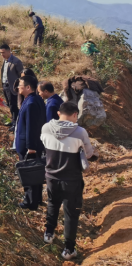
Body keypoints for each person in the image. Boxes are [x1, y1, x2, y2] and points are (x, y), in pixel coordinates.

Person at [41, 101, 98, 261]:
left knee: (52, 204)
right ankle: (68, 249)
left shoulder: (45, 128)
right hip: (71, 179)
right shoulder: (80, 132)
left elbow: (45, 145)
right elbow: (88, 154)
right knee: (71, 214)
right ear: (75, 115)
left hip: (51, 176)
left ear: (59, 114)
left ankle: (49, 233)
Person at [15, 75, 46, 211]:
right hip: (33, 143)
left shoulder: (32, 103)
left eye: (20, 85)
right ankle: (37, 199)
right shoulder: (35, 99)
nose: (18, 87)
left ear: (28, 87)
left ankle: (30, 202)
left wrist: (31, 147)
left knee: (30, 173)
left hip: (30, 145)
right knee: (36, 172)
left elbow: (31, 127)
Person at [0, 44, 24, 130]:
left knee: (14, 105)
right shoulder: (5, 61)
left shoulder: (16, 62)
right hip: (5, 86)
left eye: (3, 52)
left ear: (9, 51)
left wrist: (18, 87)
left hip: (13, 88)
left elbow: (21, 76)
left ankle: (16, 123)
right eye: (1, 53)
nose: (2, 55)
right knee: (10, 104)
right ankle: (13, 120)